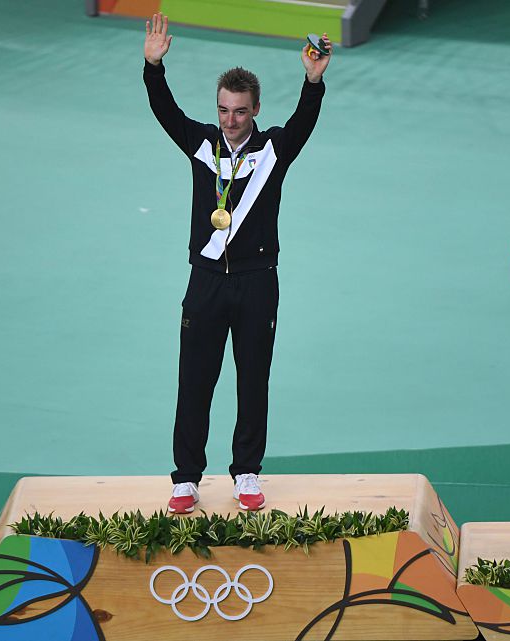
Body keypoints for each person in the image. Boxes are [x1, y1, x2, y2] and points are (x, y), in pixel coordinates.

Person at [142, 14, 331, 513]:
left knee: (253, 379)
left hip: (256, 283)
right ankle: (186, 478)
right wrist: (153, 66)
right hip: (204, 282)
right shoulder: (202, 143)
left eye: (240, 112)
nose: (230, 121)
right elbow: (165, 111)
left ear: (255, 110)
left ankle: (246, 472)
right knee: (195, 379)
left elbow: (304, 122)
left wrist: (313, 81)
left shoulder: (273, 150)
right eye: (224, 110)